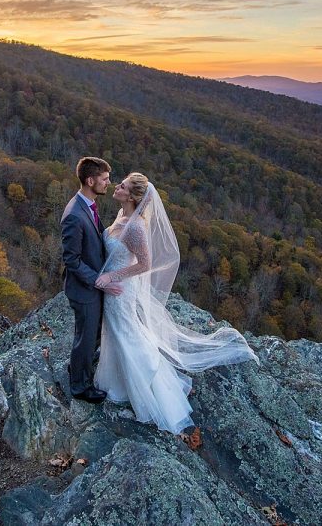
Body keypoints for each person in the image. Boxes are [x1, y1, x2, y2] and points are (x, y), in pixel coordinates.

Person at [93, 172, 259, 434]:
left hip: (119, 290)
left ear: (134, 196)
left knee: (126, 332)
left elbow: (145, 264)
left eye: (122, 185)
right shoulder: (121, 217)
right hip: (112, 288)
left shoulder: (135, 227)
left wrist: (111, 276)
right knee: (116, 332)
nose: (117, 186)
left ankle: (146, 377)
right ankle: (120, 379)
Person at [61, 156, 123, 404]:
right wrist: (99, 281)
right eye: (105, 179)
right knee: (86, 337)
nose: (109, 183)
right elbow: (71, 260)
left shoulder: (88, 206)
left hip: (92, 285)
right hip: (84, 289)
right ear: (90, 180)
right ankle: (80, 386)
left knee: (90, 335)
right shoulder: (74, 215)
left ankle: (78, 367)